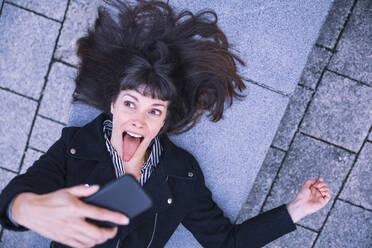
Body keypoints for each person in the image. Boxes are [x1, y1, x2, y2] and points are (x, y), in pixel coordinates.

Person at [0, 1, 331, 247]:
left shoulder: (181, 175)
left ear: (164, 121)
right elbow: (15, 197)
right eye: (130, 103)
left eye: (154, 111)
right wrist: (25, 209)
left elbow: (226, 243)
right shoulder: (75, 149)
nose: (138, 120)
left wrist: (296, 209)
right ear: (113, 103)